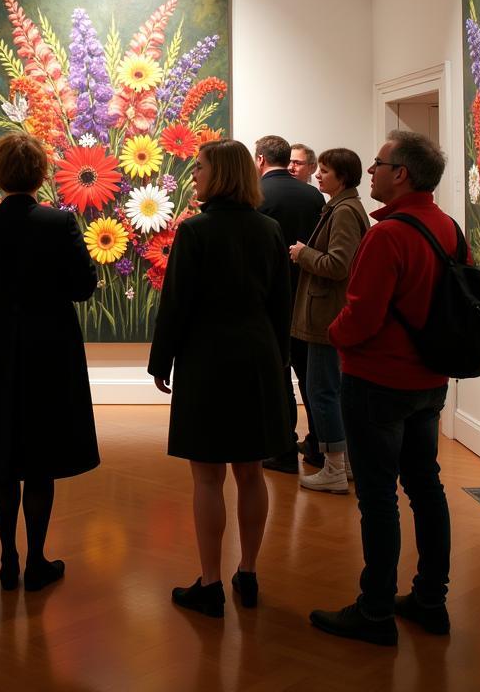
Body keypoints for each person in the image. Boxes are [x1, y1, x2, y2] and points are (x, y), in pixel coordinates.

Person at [310, 130, 454, 646]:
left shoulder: (388, 235)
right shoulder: (446, 227)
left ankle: (374, 611)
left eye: (378, 164)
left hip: (377, 383)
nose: (370, 171)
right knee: (426, 487)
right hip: (429, 382)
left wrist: (332, 334)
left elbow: (362, 317)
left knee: (378, 498)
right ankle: (430, 599)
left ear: (403, 175)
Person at [149, 140, 293, 618]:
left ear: (221, 174)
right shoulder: (271, 230)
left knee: (207, 477)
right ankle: (247, 572)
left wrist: (160, 361)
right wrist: (279, 364)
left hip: (207, 360)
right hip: (256, 358)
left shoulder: (196, 231)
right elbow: (281, 308)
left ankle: (210, 583)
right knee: (251, 472)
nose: (194, 175)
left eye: (201, 167)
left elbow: (176, 304)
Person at [0, 133, 99, 592]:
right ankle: (36, 559)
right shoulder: (59, 224)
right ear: (41, 174)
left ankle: (6, 558)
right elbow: (83, 287)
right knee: (40, 453)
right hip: (49, 344)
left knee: (2, 451)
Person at [288, 148, 369, 494]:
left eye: (325, 171)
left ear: (343, 177)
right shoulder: (341, 207)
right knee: (328, 390)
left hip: (326, 315)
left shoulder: (345, 212)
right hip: (326, 311)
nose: (318, 176)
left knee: (322, 391)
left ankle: (334, 466)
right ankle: (343, 462)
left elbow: (339, 264)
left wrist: (302, 253)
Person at [255, 134, 326, 473]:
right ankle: (319, 446)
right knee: (312, 378)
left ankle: (283, 450)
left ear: (260, 160)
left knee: (279, 377)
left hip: (272, 300)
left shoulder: (257, 195)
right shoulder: (313, 195)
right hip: (309, 297)